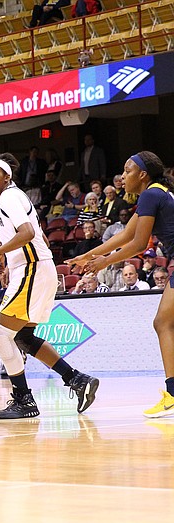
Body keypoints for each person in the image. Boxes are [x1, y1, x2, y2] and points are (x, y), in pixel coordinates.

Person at [0, 153, 99, 419]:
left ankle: (24, 401)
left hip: (33, 270)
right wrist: (14, 267)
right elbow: (44, 240)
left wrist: (1, 252)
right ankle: (77, 380)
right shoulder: (16, 199)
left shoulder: (11, 197)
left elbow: (29, 234)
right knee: (22, 337)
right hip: (35, 269)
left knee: (2, 336)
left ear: (7, 176)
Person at [69, 151, 174, 416]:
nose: (122, 176)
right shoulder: (157, 193)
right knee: (165, 322)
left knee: (163, 323)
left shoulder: (151, 194)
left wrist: (102, 263)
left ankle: (172, 394)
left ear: (143, 174)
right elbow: (127, 233)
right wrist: (89, 255)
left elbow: (138, 244)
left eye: (127, 171)